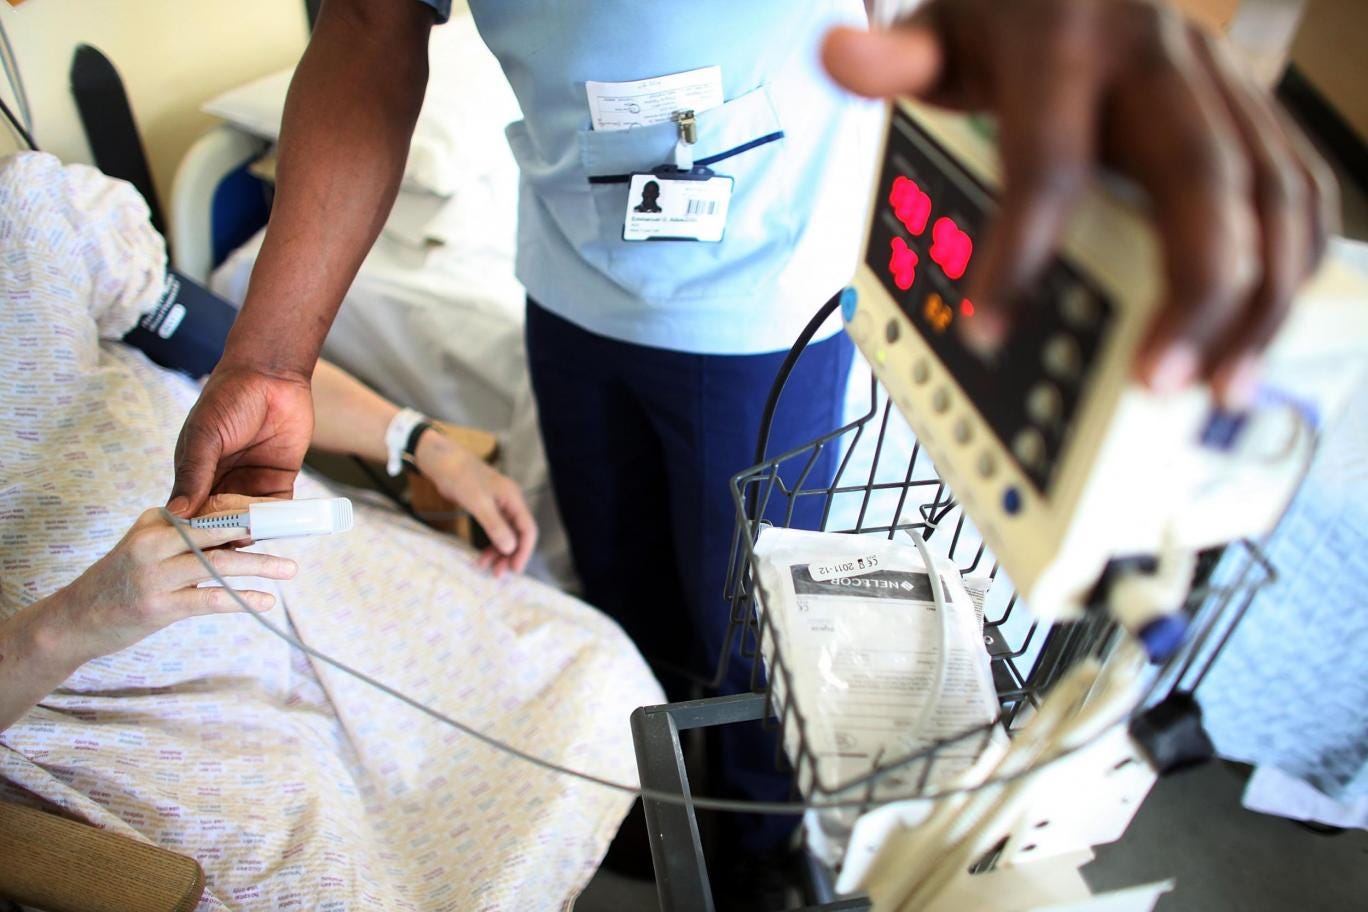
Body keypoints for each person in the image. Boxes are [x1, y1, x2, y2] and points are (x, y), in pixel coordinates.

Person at [166, 0, 1336, 900]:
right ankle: (654, 798)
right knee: (624, 589)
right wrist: (270, 359)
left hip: (763, 305)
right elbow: (372, 24)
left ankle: (767, 858)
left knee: (756, 633)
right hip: (569, 286)